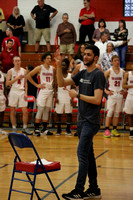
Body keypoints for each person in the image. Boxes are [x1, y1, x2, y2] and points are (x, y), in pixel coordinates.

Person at [55, 44, 105, 199]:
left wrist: (77, 95)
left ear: (95, 58)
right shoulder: (82, 73)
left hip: (91, 121)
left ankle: (79, 190)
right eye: (85, 54)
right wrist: (57, 66)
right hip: (82, 121)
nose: (85, 57)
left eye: (89, 55)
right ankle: (94, 189)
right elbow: (62, 83)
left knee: (81, 153)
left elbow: (97, 100)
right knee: (89, 155)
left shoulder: (98, 75)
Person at [27, 53, 57, 136]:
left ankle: (44, 129)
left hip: (50, 91)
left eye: (50, 58)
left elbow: (55, 81)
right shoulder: (39, 68)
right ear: (44, 59)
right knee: (40, 109)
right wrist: (37, 85)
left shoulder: (53, 68)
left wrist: (55, 92)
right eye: (48, 58)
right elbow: (28, 76)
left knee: (47, 110)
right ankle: (36, 129)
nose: (49, 60)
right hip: (42, 91)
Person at [6, 56, 32, 135]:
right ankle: (14, 127)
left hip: (22, 91)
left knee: (25, 111)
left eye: (19, 60)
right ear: (13, 62)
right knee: (12, 110)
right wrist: (16, 78)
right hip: (13, 91)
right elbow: (7, 83)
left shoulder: (24, 71)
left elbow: (26, 83)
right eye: (16, 61)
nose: (17, 62)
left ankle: (25, 127)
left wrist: (25, 93)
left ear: (21, 62)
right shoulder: (10, 71)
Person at [104, 55, 125, 138]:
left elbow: (126, 83)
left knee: (117, 113)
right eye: (115, 60)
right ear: (112, 62)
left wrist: (125, 90)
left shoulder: (123, 72)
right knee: (110, 112)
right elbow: (100, 80)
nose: (117, 62)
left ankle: (114, 129)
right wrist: (105, 90)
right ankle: (106, 130)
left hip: (119, 94)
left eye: (118, 60)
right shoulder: (109, 71)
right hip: (112, 94)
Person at [55, 58, 73, 136]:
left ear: (67, 66)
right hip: (60, 95)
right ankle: (58, 129)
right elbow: (55, 86)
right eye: (62, 65)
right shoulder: (58, 75)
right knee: (59, 113)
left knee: (69, 113)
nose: (63, 66)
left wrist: (72, 98)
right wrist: (55, 96)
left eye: (64, 65)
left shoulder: (70, 75)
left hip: (68, 95)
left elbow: (72, 87)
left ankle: (68, 129)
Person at [122, 68, 133, 139]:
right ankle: (131, 130)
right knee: (130, 114)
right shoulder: (127, 74)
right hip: (130, 95)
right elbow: (123, 86)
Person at [0, 63, 8, 134]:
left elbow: (5, 87)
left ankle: (0, 128)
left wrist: (5, 95)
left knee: (2, 112)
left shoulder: (2, 75)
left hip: (1, 96)